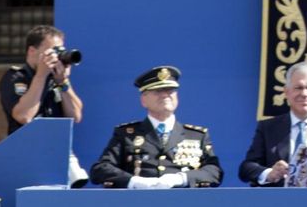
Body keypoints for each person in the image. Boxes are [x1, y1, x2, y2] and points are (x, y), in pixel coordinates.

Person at [91, 66, 222, 188]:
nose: (165, 95)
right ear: (143, 99)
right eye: (158, 91)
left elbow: (214, 171)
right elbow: (100, 169)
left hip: (185, 203)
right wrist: (135, 182)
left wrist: (181, 178)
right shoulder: (126, 134)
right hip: (138, 203)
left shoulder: (197, 135)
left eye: (170, 90)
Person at [0, 25, 84, 134]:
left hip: (56, 145)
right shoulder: (16, 77)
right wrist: (41, 76)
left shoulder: (56, 80)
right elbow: (24, 116)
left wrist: (63, 81)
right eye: (53, 51)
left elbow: (76, 116)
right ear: (32, 51)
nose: (56, 57)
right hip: (27, 145)